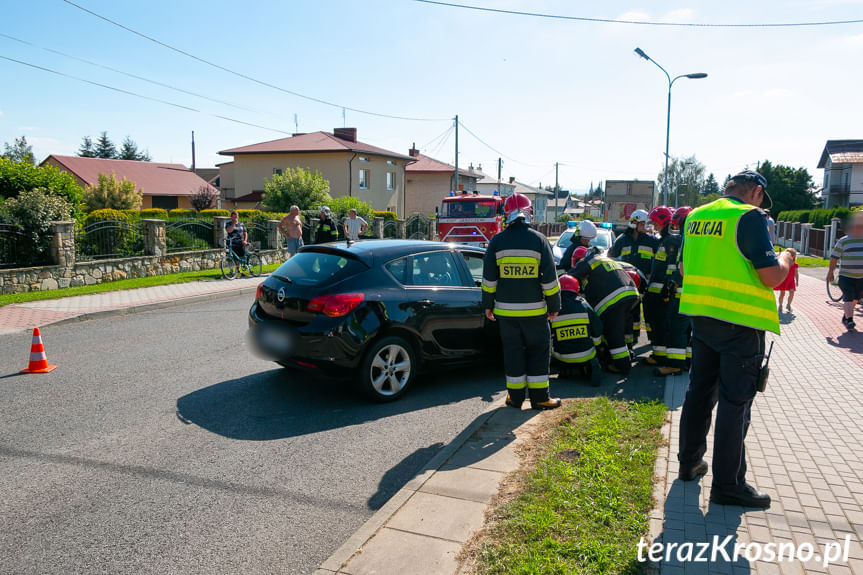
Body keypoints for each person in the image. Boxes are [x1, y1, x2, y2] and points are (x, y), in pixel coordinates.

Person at [677, 169, 792, 508]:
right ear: (756, 191)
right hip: (740, 325)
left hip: (702, 319)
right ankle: (728, 485)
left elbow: (685, 269)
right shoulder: (750, 216)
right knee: (735, 403)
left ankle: (689, 463)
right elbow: (771, 276)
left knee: (699, 392)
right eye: (761, 197)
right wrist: (785, 258)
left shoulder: (696, 216)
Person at [482, 192, 562, 410]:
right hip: (535, 313)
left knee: (513, 353)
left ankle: (515, 398)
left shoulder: (496, 241)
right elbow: (550, 279)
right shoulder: (539, 240)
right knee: (538, 352)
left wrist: (488, 305)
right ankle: (540, 399)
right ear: (528, 213)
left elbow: (489, 279)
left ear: (506, 214)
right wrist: (554, 306)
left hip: (506, 313)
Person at [569, 246, 639, 374]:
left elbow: (571, 276)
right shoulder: (605, 260)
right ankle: (627, 351)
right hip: (630, 293)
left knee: (613, 332)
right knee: (621, 326)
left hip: (614, 297)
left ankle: (622, 365)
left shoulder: (589, 260)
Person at [608, 209, 658, 349]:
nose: (645, 226)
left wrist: (651, 273)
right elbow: (611, 258)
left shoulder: (652, 241)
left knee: (648, 311)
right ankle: (633, 335)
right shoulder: (622, 240)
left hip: (646, 283)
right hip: (628, 282)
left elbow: (659, 261)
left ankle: (653, 339)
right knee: (630, 311)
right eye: (642, 224)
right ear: (634, 223)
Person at [652, 206, 691, 376]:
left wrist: (672, 282)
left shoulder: (682, 241)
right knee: (688, 329)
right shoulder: (694, 239)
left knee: (676, 327)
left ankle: (675, 364)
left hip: (681, 293)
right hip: (694, 294)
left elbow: (680, 267)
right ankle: (688, 361)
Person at [550, 275, 603, 387]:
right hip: (587, 353)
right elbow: (597, 327)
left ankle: (565, 370)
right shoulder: (583, 304)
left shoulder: (552, 308)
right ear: (576, 289)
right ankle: (591, 368)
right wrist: (597, 345)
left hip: (561, 355)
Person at [643, 206, 674, 365]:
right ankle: (658, 354)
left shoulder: (670, 242)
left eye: (656, 223)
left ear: (664, 222)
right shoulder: (664, 241)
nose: (654, 227)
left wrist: (666, 289)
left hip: (661, 293)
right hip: (655, 291)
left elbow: (670, 268)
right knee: (656, 323)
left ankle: (660, 356)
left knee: (661, 324)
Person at [827, 212, 863, 331]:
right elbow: (834, 258)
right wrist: (830, 272)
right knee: (848, 297)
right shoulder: (844, 241)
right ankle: (850, 320)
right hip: (846, 276)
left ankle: (847, 316)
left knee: (855, 299)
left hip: (861, 278)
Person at [775, 248, 799, 313]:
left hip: (791, 281)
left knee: (792, 292)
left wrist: (797, 281)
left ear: (793, 256)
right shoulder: (783, 263)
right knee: (782, 294)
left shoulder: (794, 264)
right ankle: (780, 305)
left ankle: (788, 304)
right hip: (783, 280)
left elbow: (796, 273)